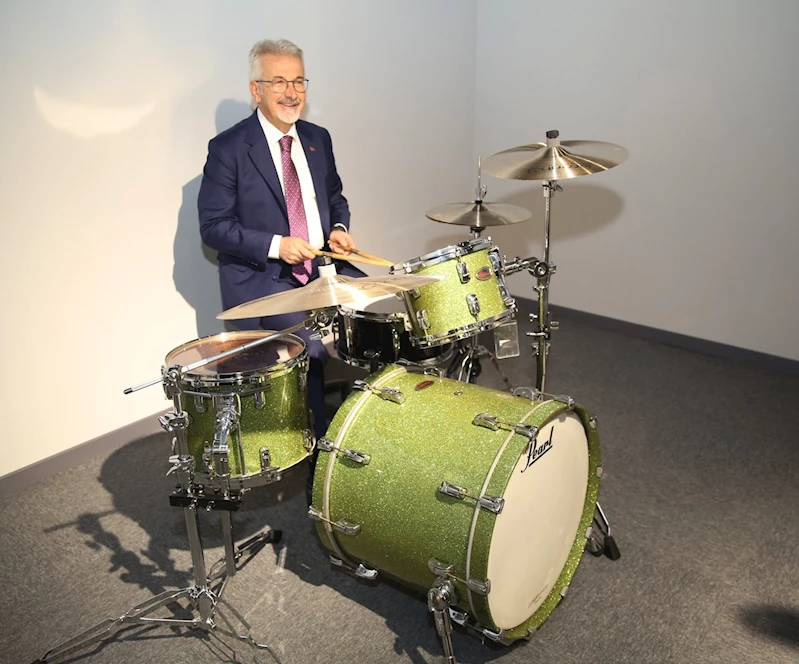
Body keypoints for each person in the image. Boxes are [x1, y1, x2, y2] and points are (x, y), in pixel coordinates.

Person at [198, 38, 364, 442]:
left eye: (298, 81)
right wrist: (277, 245)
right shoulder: (229, 149)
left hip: (321, 269)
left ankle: (366, 425)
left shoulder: (318, 138)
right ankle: (320, 450)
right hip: (264, 281)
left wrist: (338, 230)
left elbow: (335, 198)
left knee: (382, 318)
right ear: (256, 90)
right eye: (278, 82)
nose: (291, 92)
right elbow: (213, 227)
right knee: (313, 347)